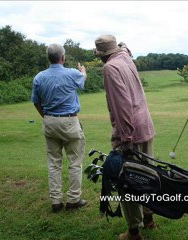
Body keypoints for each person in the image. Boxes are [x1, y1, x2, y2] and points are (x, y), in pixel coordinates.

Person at [94, 34, 156, 240]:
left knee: (129, 180)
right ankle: (149, 219)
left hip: (131, 133)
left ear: (103, 55)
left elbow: (121, 106)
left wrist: (125, 139)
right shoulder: (126, 58)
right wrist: (122, 47)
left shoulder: (110, 68)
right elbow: (126, 49)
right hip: (145, 126)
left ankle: (134, 231)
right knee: (147, 175)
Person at [31, 43, 88, 213]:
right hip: (70, 122)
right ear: (63, 57)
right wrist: (83, 70)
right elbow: (82, 79)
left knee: (54, 164)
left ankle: (56, 201)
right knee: (75, 163)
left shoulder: (39, 77)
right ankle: (73, 199)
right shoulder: (72, 73)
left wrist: (46, 117)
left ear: (49, 58)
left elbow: (36, 102)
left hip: (49, 120)